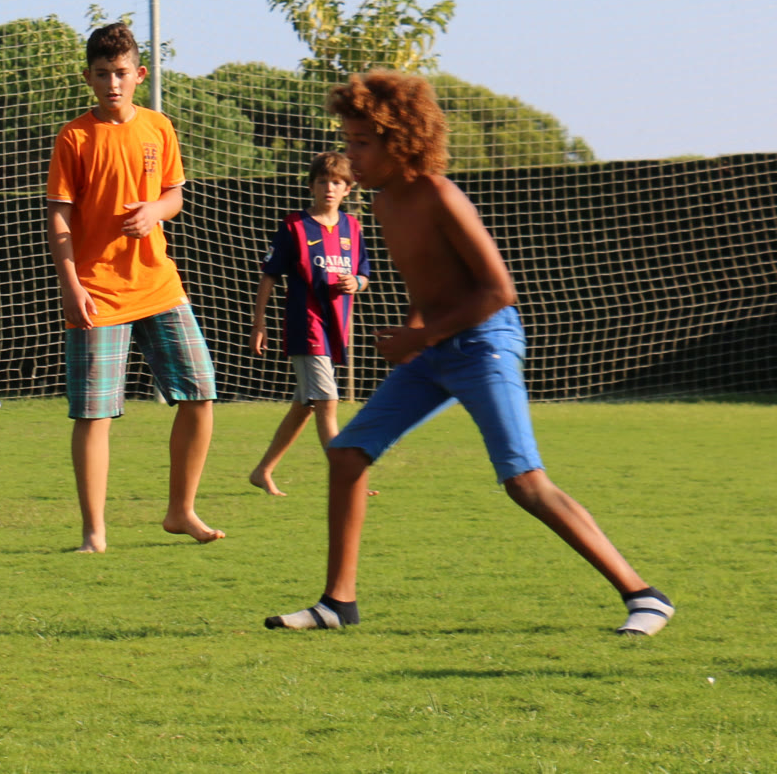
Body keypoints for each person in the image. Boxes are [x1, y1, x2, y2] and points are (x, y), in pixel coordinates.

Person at [265, 71, 672, 637]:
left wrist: (418, 338)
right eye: (348, 141)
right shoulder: (382, 206)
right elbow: (424, 288)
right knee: (348, 455)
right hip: (433, 348)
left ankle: (644, 596)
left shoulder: (440, 195)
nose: (350, 155)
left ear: (400, 140)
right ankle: (338, 603)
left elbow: (498, 291)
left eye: (362, 142)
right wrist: (414, 334)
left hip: (485, 345)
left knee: (523, 480)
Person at [47, 22, 221, 552]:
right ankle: (94, 533)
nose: (113, 83)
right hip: (97, 291)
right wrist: (70, 284)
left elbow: (174, 195)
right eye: (102, 74)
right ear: (88, 77)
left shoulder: (159, 127)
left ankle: (180, 511)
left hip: (158, 285)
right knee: (94, 413)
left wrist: (154, 212)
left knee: (201, 393)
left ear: (139, 74)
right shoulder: (74, 137)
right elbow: (58, 218)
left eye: (121, 72)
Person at [246, 151, 369, 496]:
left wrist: (356, 283)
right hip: (306, 325)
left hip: (336, 327)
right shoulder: (294, 226)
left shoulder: (352, 227)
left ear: (348, 188)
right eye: (322, 181)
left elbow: (364, 274)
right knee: (327, 401)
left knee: (305, 405)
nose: (329, 188)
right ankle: (348, 480)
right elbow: (269, 275)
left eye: (337, 182)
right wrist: (259, 323)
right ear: (311, 186)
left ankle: (262, 471)